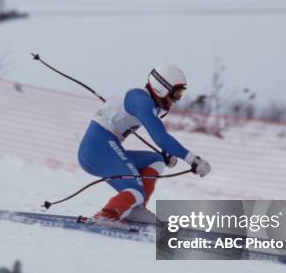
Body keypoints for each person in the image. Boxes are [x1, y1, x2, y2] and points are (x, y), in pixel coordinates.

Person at [78, 64, 211, 227]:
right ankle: (106, 215)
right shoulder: (140, 100)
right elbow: (160, 136)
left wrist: (167, 153)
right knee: (135, 190)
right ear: (162, 88)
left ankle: (136, 209)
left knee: (156, 161)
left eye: (180, 94)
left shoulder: (150, 104)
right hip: (97, 149)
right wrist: (193, 159)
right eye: (176, 93)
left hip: (106, 147)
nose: (177, 99)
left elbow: (158, 134)